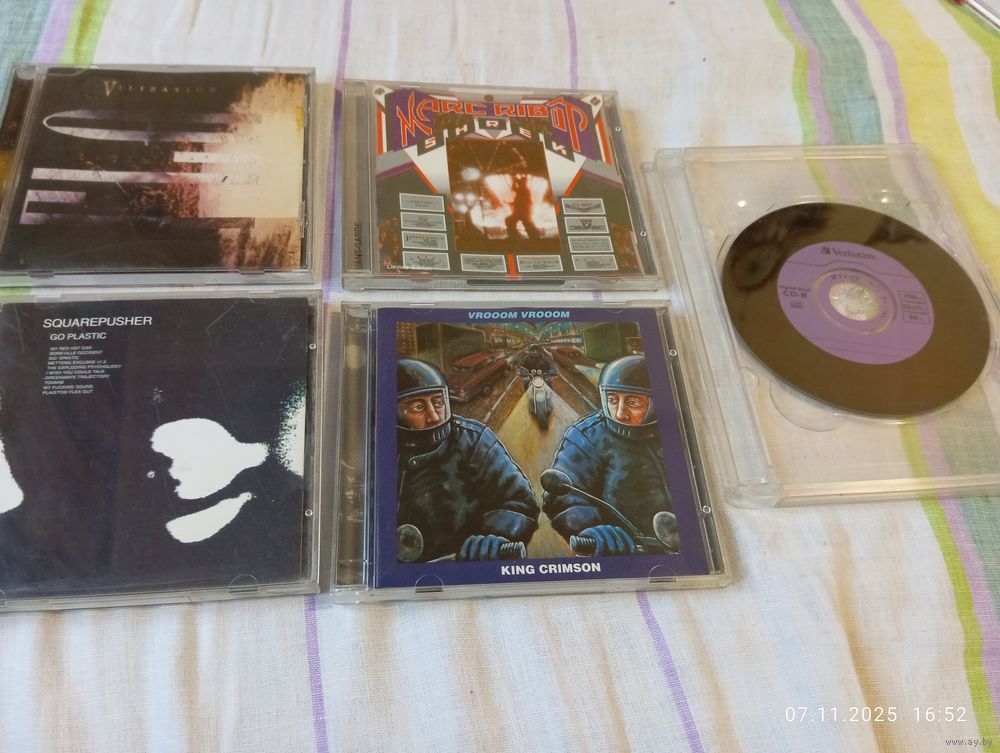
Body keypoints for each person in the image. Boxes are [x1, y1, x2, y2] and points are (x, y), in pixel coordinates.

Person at [396, 358, 538, 562]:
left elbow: (519, 501)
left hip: (462, 564)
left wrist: (494, 537)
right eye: (418, 407)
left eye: (438, 403)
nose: (434, 416)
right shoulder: (371, 448)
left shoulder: (474, 440)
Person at [543, 355, 674, 556]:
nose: (620, 413)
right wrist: (595, 532)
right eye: (612, 400)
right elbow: (566, 498)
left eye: (633, 402)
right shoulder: (585, 437)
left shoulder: (677, 430)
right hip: (628, 552)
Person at [504, 172, 540, 240]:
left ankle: (534, 236)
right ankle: (515, 235)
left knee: (526, 224)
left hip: (523, 212)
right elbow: (516, 194)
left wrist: (514, 180)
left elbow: (514, 190)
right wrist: (514, 180)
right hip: (519, 212)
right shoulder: (521, 190)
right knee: (510, 221)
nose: (518, 184)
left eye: (519, 183)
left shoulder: (524, 190)